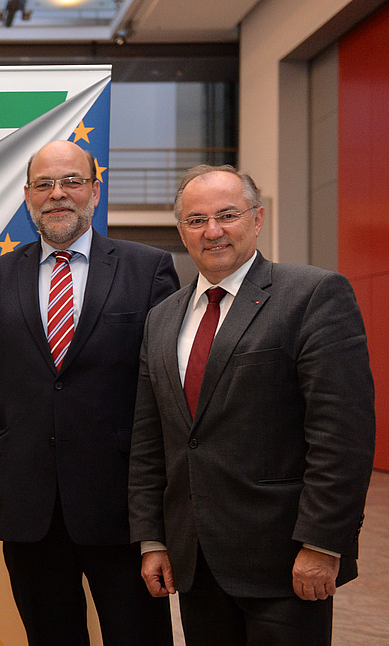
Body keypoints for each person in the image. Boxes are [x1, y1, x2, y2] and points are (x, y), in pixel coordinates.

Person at [128, 165, 376, 646]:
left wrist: (323, 543)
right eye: (196, 220)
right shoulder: (161, 318)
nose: (212, 231)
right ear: (181, 231)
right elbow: (150, 439)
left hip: (285, 563)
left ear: (257, 219)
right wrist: (152, 539)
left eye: (227, 215)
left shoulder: (312, 295)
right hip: (196, 563)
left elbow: (341, 435)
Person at [0, 139, 178, 645]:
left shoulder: (148, 268)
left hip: (122, 507)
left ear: (95, 191)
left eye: (72, 181)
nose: (58, 194)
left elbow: (165, 390)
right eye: (44, 184)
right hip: (27, 506)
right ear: (27, 196)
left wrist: (164, 504)